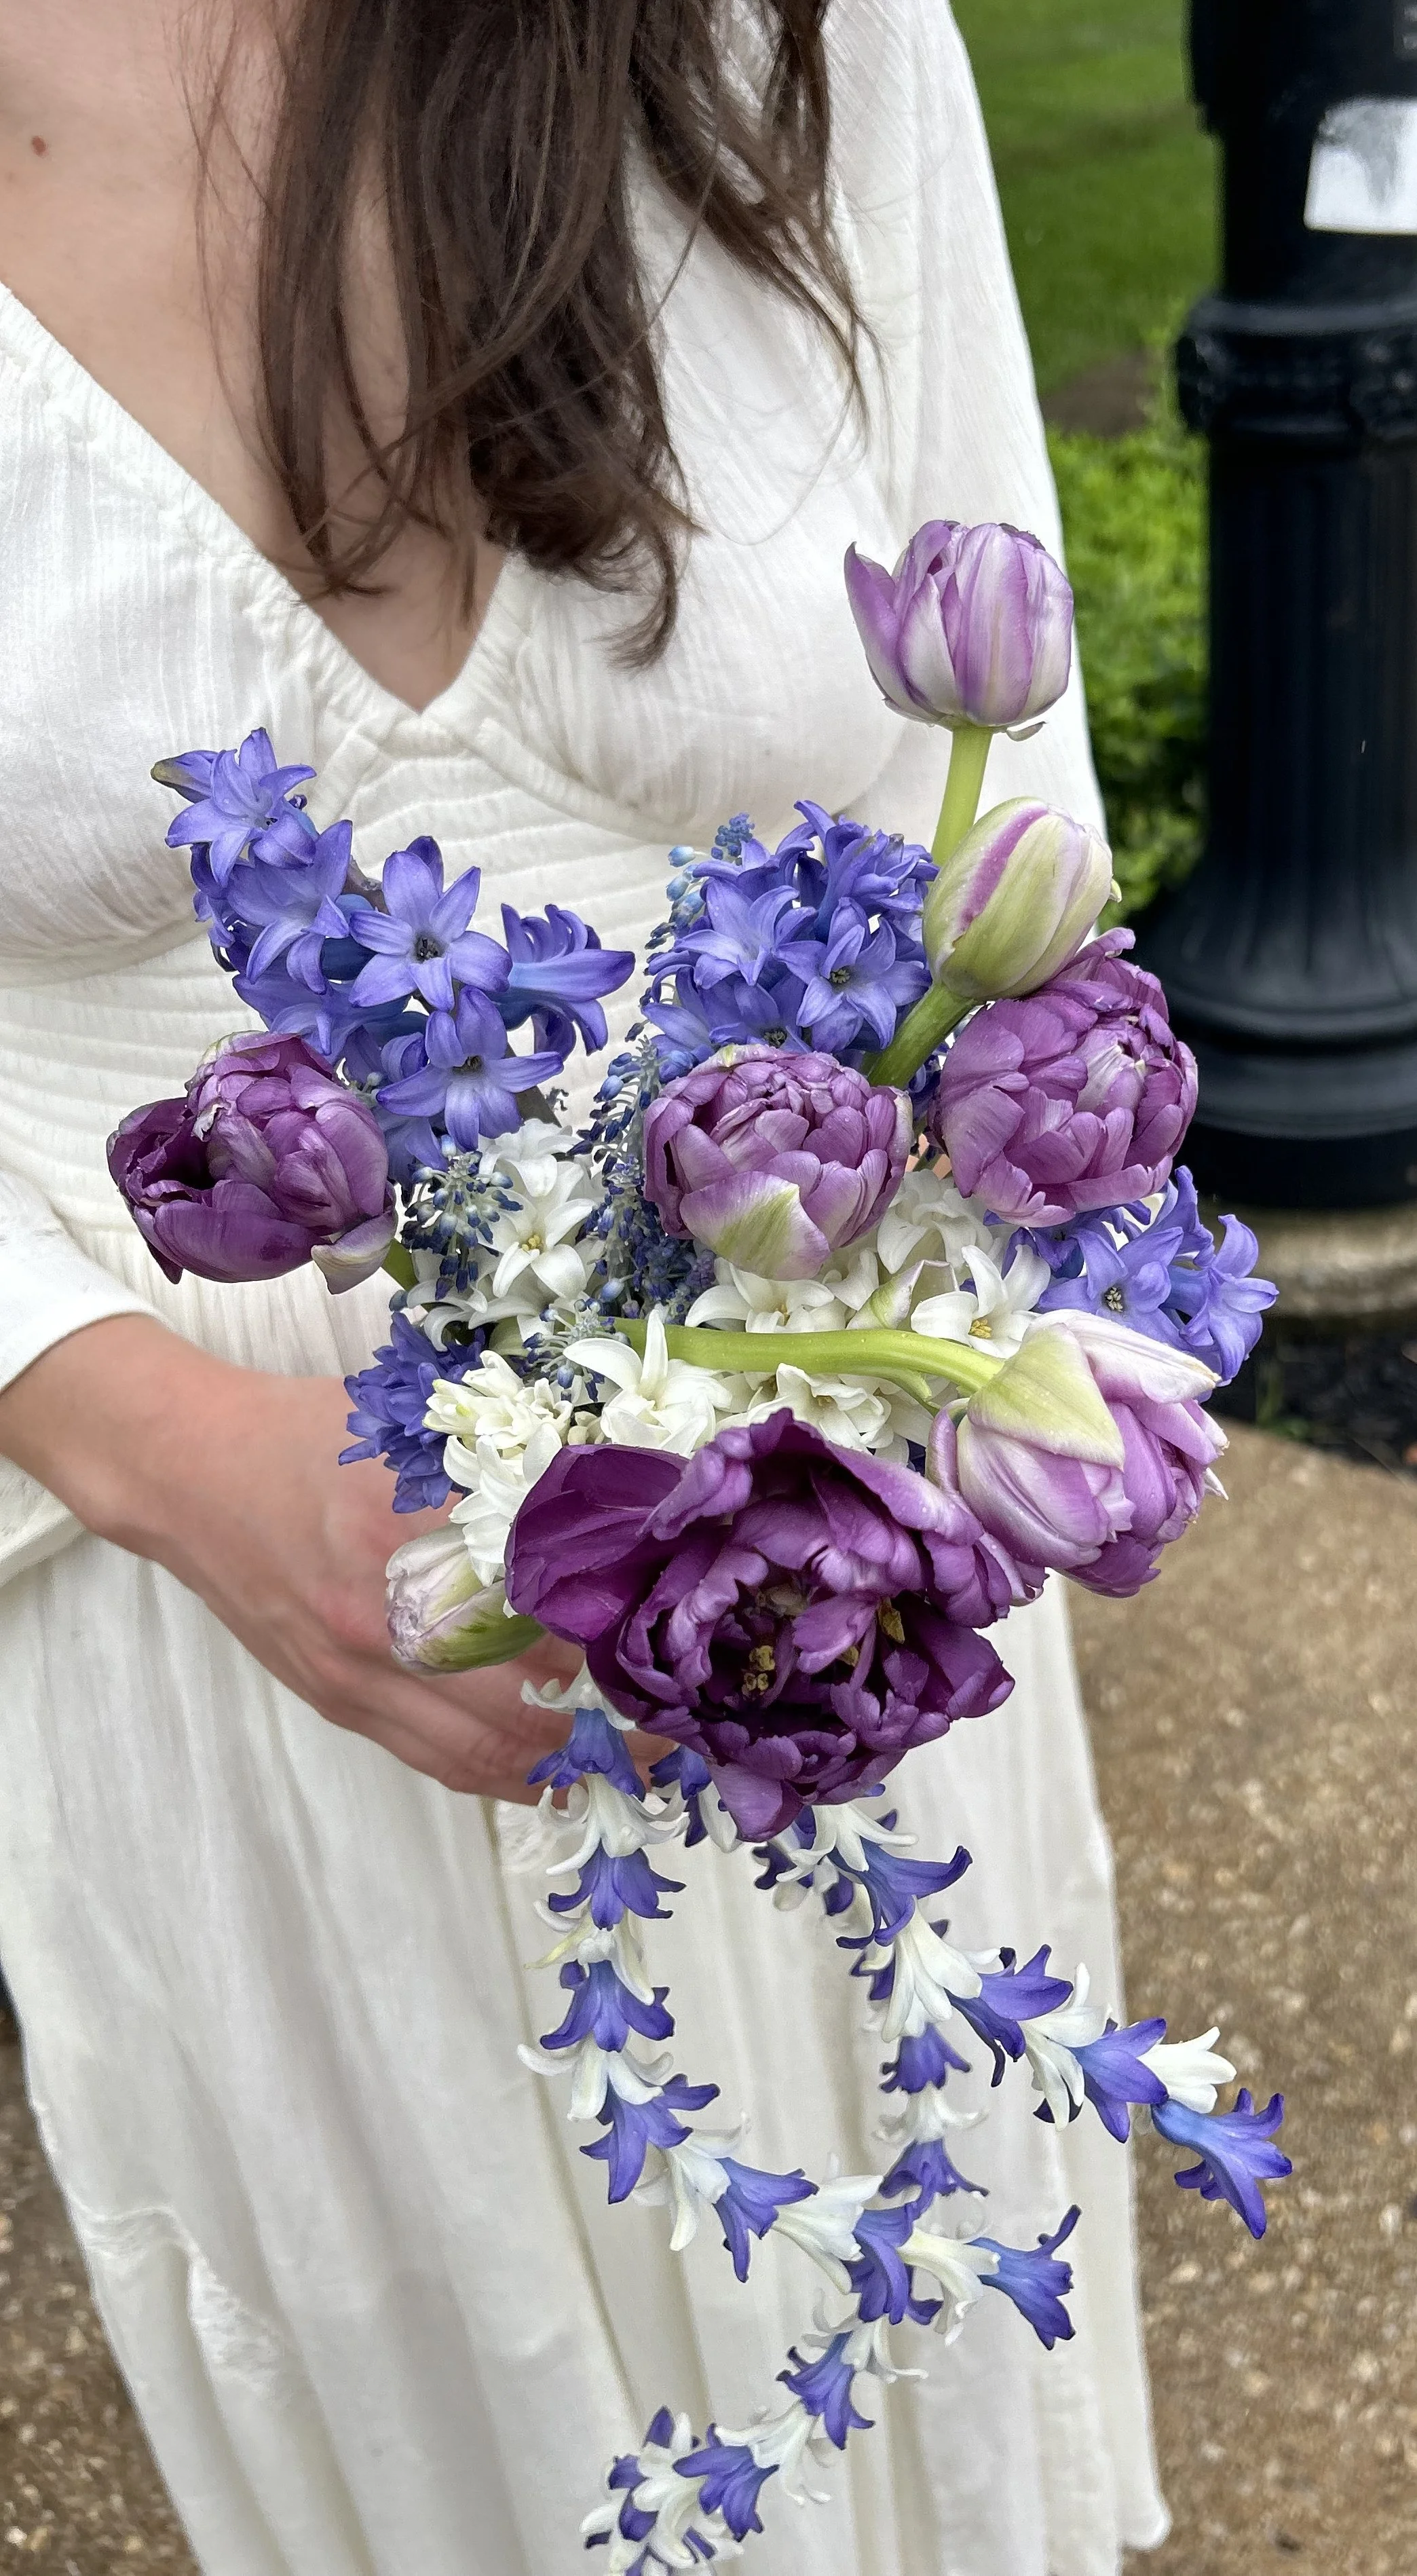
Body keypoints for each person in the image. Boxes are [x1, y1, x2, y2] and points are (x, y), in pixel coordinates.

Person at [0, 5, 1169, 2570]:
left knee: (937, 2385)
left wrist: (899, 1394)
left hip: (844, 1560)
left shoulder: (776, 33)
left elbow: (1020, 840)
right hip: (235, 1657)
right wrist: (141, 1437)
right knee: (455, 2441)